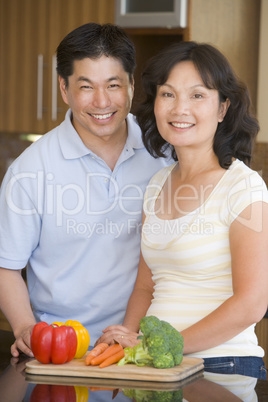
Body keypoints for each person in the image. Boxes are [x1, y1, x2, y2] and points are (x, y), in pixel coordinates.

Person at [97, 41, 268, 379]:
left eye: (197, 95)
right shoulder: (158, 184)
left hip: (221, 365)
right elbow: (146, 287)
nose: (180, 108)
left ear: (222, 109)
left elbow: (252, 303)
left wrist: (160, 345)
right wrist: (125, 342)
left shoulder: (242, 187)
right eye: (168, 94)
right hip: (157, 365)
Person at [0, 23, 171, 357]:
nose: (102, 101)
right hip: (64, 350)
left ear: (131, 86)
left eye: (113, 85)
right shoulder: (30, 170)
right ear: (64, 89)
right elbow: (6, 266)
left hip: (146, 348)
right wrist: (24, 329)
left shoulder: (163, 154)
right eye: (86, 86)